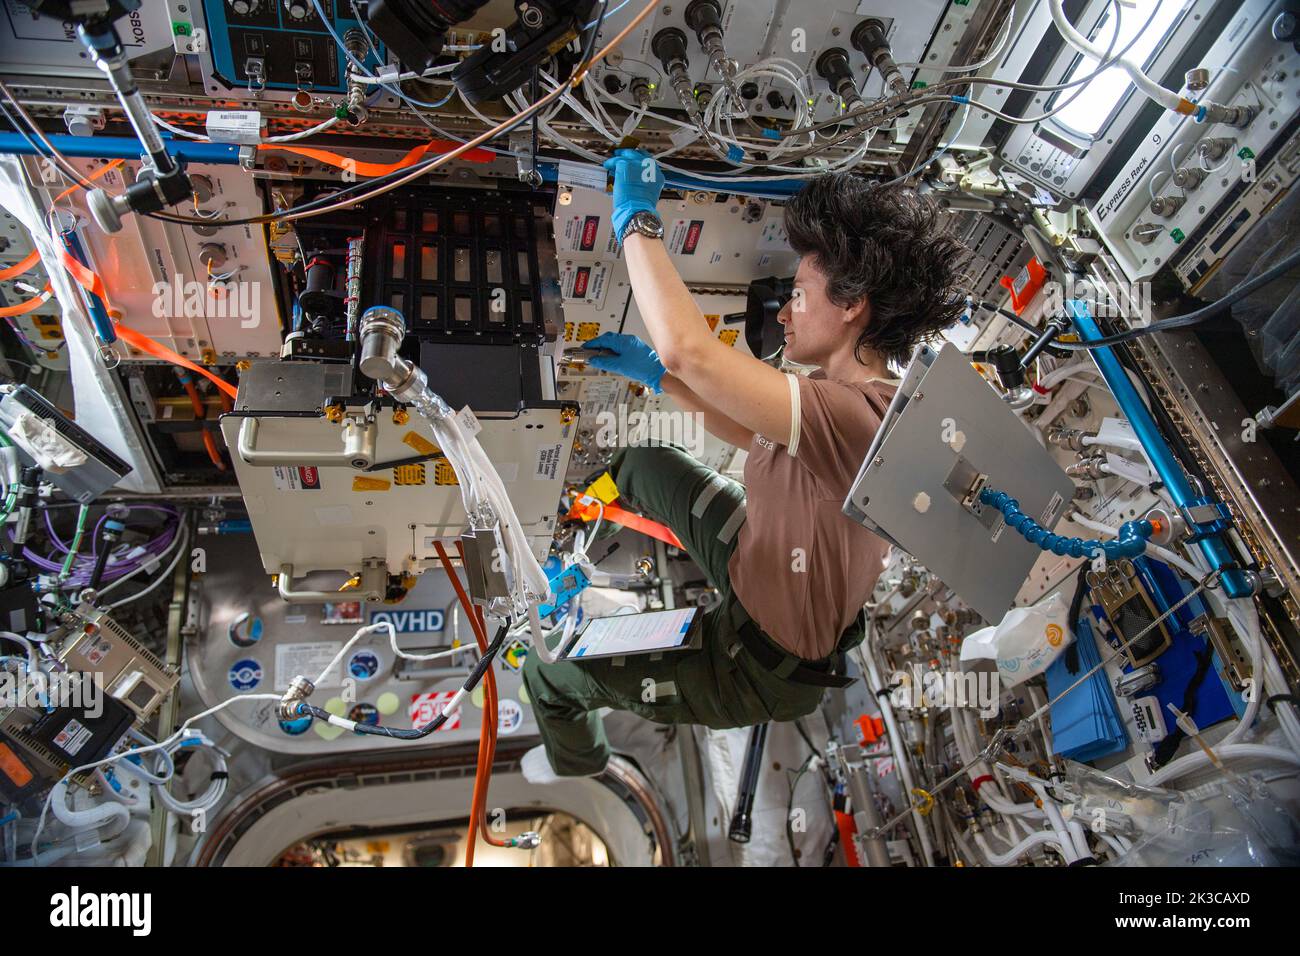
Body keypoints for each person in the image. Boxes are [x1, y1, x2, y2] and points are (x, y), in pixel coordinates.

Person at [520, 149, 972, 783]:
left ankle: (582, 760)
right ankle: (577, 523)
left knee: (545, 674)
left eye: (797, 296)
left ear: (851, 306)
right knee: (644, 462)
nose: (784, 313)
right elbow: (743, 426)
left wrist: (636, 220)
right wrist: (658, 378)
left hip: (756, 662)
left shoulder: (857, 413)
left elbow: (691, 351)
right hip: (755, 559)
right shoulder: (844, 402)